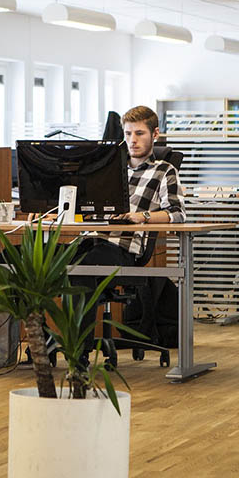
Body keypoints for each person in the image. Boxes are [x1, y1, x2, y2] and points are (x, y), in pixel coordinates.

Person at [72, 105, 186, 358]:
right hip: (90, 241)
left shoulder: (164, 171)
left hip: (122, 250)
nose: (132, 140)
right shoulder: (107, 170)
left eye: (140, 134)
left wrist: (142, 216)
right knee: (26, 261)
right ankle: (42, 342)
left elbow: (177, 213)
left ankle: (78, 354)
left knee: (83, 270)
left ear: (155, 134)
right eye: (128, 134)